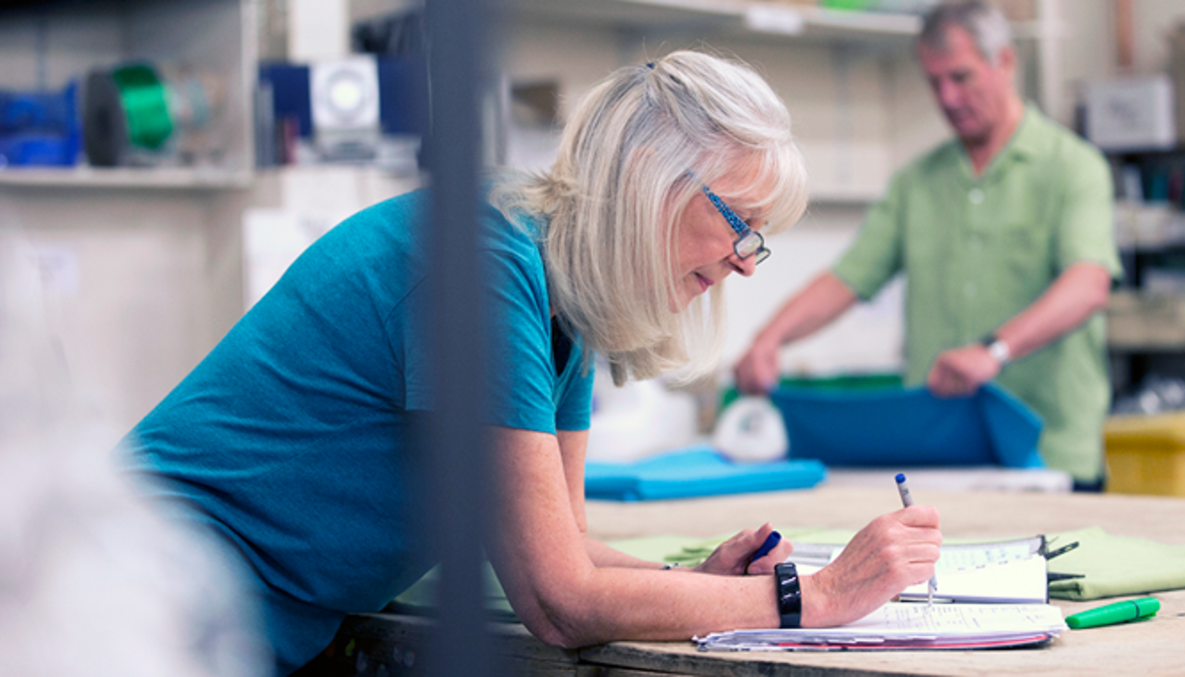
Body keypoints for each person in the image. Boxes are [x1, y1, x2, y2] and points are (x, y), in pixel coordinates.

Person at [119, 50, 942, 675]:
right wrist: (815, 597)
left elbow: (563, 547)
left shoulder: (565, 286)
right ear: (653, 180)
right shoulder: (480, 264)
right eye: (743, 224)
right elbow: (558, 601)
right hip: (140, 606)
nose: (749, 262)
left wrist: (700, 576)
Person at [734, 1, 1122, 491]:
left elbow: (1088, 285)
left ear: (1004, 62)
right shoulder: (916, 183)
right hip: (945, 457)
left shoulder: (1074, 167)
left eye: (961, 77)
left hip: (1052, 453)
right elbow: (849, 277)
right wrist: (771, 338)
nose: (948, 97)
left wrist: (993, 351)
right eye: (934, 82)